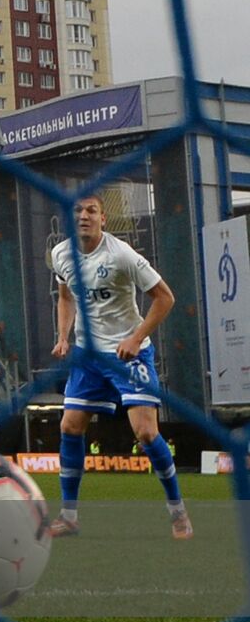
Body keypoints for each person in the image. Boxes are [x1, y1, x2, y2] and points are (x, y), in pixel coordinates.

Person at [48, 194, 188, 539]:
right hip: (88, 356)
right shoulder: (60, 254)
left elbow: (165, 298)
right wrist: (64, 337)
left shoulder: (122, 255)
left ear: (103, 219)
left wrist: (136, 338)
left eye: (91, 211)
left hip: (129, 354)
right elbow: (66, 297)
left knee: (145, 433)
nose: (83, 216)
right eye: (77, 211)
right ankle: (68, 516)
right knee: (70, 427)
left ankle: (178, 512)